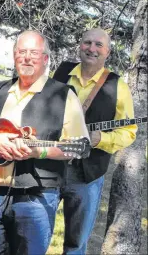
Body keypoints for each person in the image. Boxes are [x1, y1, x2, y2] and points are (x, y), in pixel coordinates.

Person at [0, 30, 90, 255]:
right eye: (21, 52)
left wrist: (40, 152)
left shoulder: (63, 95)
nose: (26, 58)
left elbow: (80, 146)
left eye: (33, 53)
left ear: (45, 59)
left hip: (37, 197)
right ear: (14, 56)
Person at [52, 28, 137, 254]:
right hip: (49, 167)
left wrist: (100, 138)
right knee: (35, 232)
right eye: (87, 43)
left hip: (86, 176)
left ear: (107, 52)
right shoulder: (61, 73)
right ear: (79, 45)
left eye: (99, 45)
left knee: (76, 244)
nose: (92, 49)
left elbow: (128, 131)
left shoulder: (118, 86)